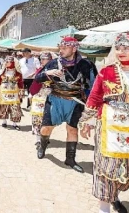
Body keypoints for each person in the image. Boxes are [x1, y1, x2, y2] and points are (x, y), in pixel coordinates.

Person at [78, 32, 129, 213]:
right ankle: (104, 207)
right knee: (105, 168)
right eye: (118, 47)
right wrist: (87, 122)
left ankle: (114, 195)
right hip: (108, 127)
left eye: (126, 48)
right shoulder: (106, 71)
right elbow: (95, 97)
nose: (120, 51)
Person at [35, 36, 96, 173]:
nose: (61, 50)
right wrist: (47, 73)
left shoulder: (86, 64)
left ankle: (70, 159)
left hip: (75, 102)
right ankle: (42, 146)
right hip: (55, 100)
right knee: (45, 129)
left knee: (72, 130)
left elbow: (93, 85)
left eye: (64, 48)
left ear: (74, 48)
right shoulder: (53, 63)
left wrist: (90, 105)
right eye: (60, 48)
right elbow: (37, 79)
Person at [0, 56, 24, 130]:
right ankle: (4, 121)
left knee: (15, 107)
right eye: (6, 61)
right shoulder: (2, 72)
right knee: (3, 107)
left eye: (9, 62)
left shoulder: (18, 73)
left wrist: (21, 90)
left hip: (14, 93)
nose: (7, 63)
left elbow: (21, 83)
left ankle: (14, 123)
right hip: (4, 93)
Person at [29, 51, 53, 148]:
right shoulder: (39, 70)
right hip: (39, 97)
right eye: (41, 59)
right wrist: (31, 93)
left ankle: (46, 137)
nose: (42, 61)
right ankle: (38, 140)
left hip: (50, 98)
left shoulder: (55, 71)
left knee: (48, 120)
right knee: (37, 119)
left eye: (44, 59)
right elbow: (35, 84)